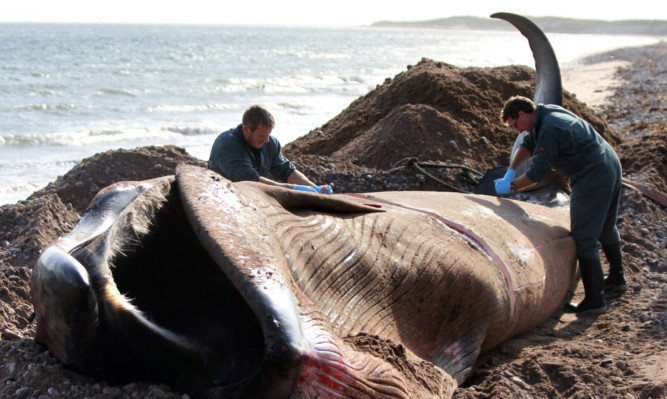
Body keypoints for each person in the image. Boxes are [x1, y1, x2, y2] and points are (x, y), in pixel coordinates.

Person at [494, 96, 626, 314]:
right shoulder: (546, 112)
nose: (517, 131)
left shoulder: (550, 130)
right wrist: (511, 170)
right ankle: (617, 278)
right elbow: (528, 143)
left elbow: (537, 173)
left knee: (584, 237)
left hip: (592, 174)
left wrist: (512, 187)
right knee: (605, 226)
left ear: (523, 114)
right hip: (609, 162)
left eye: (515, 125)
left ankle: (595, 300)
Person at [208, 105, 332, 194]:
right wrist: (294, 189)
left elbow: (286, 171)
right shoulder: (227, 144)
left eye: (268, 135)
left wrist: (316, 190)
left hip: (252, 196)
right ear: (246, 130)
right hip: (223, 195)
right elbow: (249, 179)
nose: (266, 140)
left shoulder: (270, 143)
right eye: (262, 136)